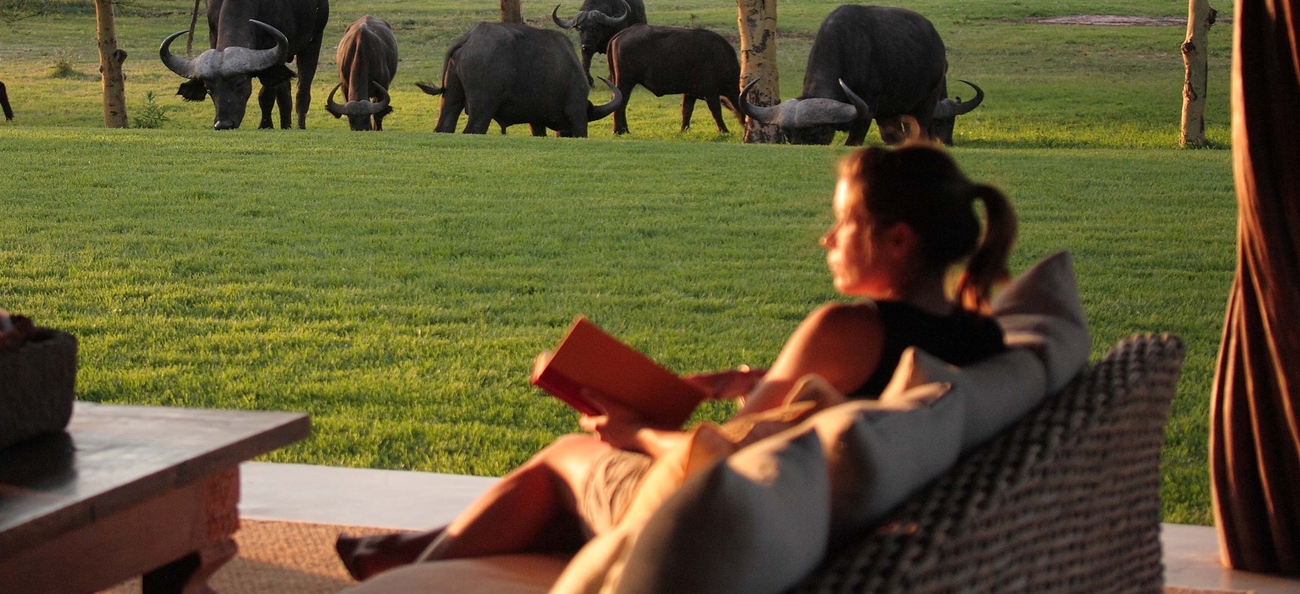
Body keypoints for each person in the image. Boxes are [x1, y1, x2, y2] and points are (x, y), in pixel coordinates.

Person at [338, 144, 1017, 580]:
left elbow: (717, 460)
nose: (827, 238)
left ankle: (414, 573)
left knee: (564, 458)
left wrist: (633, 433)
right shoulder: (983, 340)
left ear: (896, 241)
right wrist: (742, 385)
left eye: (844, 224)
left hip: (720, 521)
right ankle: (406, 550)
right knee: (568, 483)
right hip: (812, 517)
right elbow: (811, 411)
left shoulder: (846, 326)